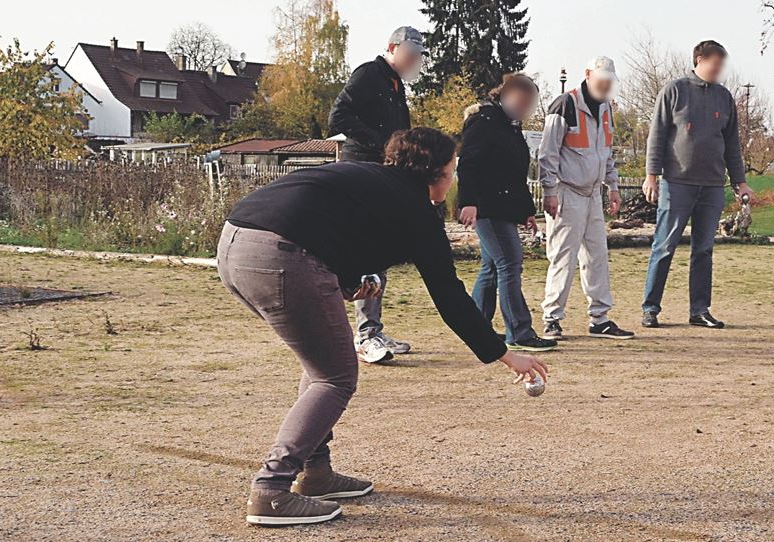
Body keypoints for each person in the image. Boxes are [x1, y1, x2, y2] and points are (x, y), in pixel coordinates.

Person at [219, 128, 549, 526]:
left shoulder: (369, 178)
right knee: (335, 376)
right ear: (437, 173)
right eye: (452, 168)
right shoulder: (415, 208)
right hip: (282, 255)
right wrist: (502, 352)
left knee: (319, 366)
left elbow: (323, 228)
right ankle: (271, 490)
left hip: (234, 245)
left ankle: (317, 473)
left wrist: (344, 281)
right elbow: (448, 294)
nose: (454, 176)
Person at [328, 26, 426, 363]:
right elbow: (338, 117)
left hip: (386, 173)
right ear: (392, 48)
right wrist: (379, 144)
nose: (415, 61)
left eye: (419, 57)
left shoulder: (396, 85)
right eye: (411, 55)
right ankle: (364, 335)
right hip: (361, 173)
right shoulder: (369, 75)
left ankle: (373, 328)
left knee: (380, 252)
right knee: (367, 252)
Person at [641, 40, 755, 329]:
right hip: (677, 183)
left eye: (722, 65)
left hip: (713, 186)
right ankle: (651, 308)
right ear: (699, 60)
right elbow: (656, 136)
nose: (719, 70)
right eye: (715, 63)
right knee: (664, 247)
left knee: (703, 250)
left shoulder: (725, 97)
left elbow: (732, 145)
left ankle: (699, 310)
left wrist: (740, 182)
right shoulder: (674, 91)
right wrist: (651, 175)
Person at [537, 57, 635, 341]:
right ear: (588, 75)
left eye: (609, 82)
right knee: (562, 259)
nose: (605, 86)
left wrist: (613, 187)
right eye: (601, 80)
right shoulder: (564, 105)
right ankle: (552, 318)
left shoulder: (606, 109)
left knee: (597, 258)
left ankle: (600, 319)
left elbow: (607, 151)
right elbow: (547, 154)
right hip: (567, 192)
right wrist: (549, 192)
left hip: (593, 195)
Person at [457, 73, 556, 352]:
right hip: (487, 207)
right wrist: (468, 202)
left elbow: (514, 174)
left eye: (529, 103)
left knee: (491, 269)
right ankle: (520, 331)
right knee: (509, 265)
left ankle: (477, 329)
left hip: (502, 207)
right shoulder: (485, 122)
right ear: (504, 95)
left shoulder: (509, 126)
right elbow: (468, 164)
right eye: (521, 101)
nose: (525, 107)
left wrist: (526, 211)